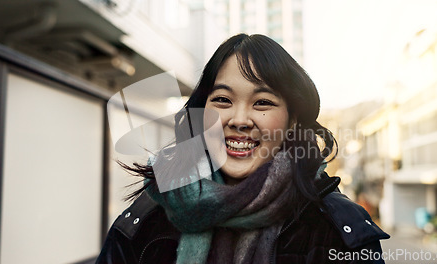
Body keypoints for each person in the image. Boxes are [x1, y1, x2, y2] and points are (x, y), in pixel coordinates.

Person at [96, 33, 389, 264]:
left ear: (292, 120)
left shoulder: (336, 230)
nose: (239, 120)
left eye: (262, 102)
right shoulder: (149, 214)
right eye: (223, 100)